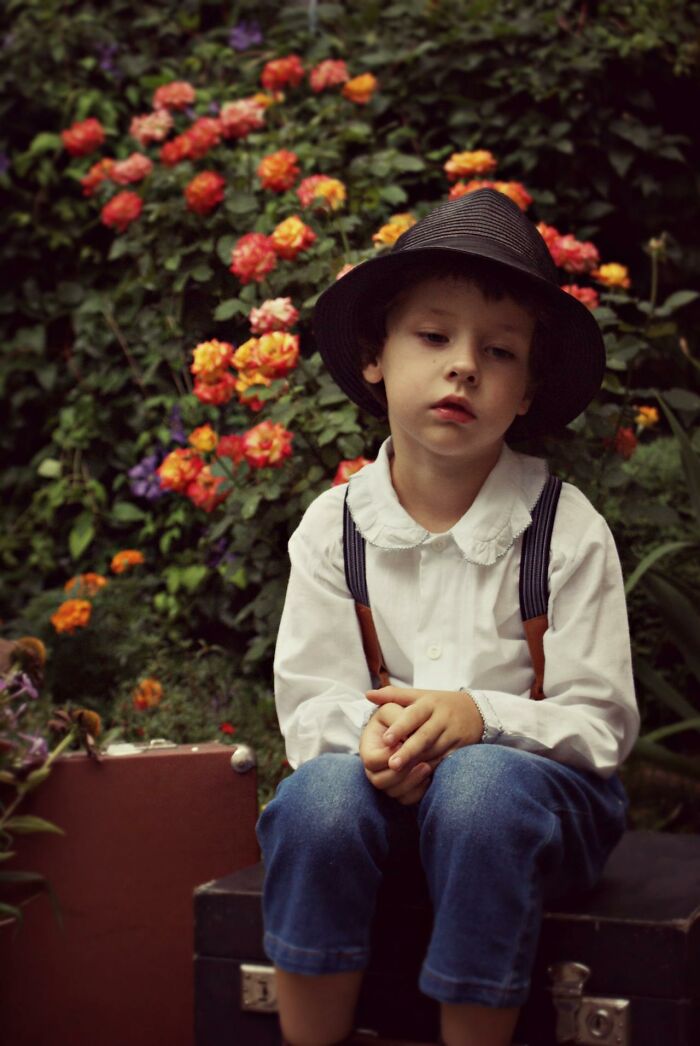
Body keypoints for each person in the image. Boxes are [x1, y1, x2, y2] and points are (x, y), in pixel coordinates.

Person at [256, 188, 639, 1046]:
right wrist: (374, 739)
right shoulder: (335, 526)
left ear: (530, 388)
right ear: (374, 357)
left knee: (478, 786)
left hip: (539, 815)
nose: (464, 365)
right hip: (382, 802)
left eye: (498, 351)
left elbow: (602, 726)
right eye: (434, 337)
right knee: (315, 798)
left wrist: (478, 719)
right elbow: (311, 706)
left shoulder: (564, 529)